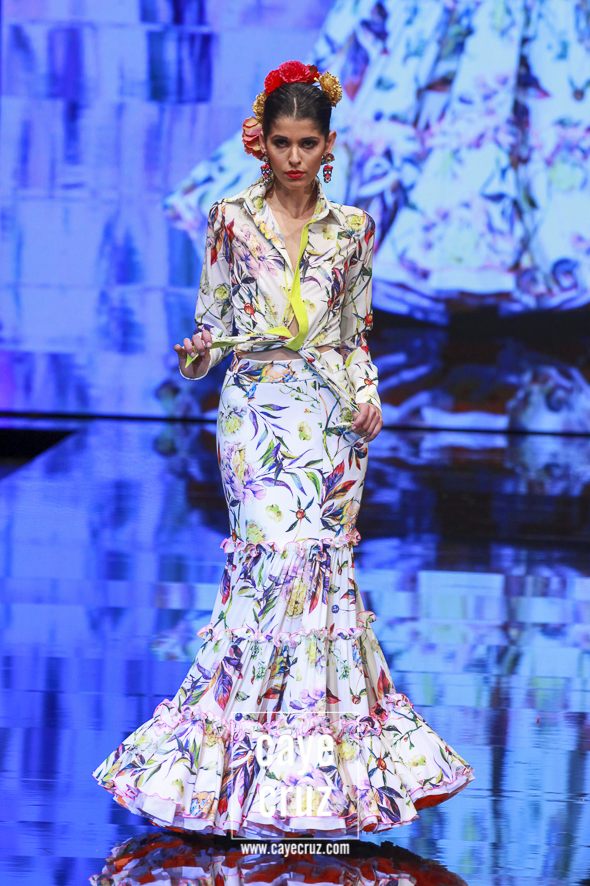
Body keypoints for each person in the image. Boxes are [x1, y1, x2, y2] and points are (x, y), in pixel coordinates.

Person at [93, 60, 474, 838]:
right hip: (257, 415)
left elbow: (357, 335)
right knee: (267, 577)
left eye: (307, 143)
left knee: (322, 583)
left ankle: (312, 784)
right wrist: (195, 355)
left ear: (328, 146)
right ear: (259, 143)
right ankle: (235, 776)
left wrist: (370, 396)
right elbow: (209, 329)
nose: (294, 156)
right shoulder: (229, 219)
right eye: (282, 142)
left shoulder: (353, 229)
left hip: (330, 423)